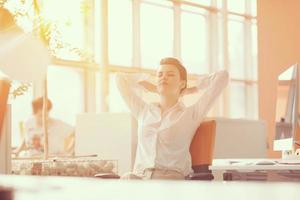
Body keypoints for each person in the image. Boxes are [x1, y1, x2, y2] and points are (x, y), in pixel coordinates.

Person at [116, 57, 229, 180]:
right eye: (160, 75)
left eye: (170, 75)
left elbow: (222, 77)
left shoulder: (190, 114)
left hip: (170, 178)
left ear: (181, 83)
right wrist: (152, 85)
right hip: (139, 176)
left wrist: (190, 88)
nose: (163, 77)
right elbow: (119, 78)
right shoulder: (144, 111)